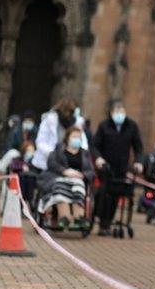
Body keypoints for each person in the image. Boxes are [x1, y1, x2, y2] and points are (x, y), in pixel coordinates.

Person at [92, 101, 144, 236]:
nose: (119, 115)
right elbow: (95, 145)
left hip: (121, 166)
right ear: (111, 113)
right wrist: (98, 158)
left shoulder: (131, 126)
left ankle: (108, 221)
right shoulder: (104, 126)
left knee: (116, 194)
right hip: (105, 166)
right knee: (105, 192)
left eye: (121, 112)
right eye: (116, 112)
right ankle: (102, 221)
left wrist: (138, 161)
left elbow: (138, 146)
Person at [37, 126, 95, 229]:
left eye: (79, 137)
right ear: (68, 138)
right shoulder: (59, 150)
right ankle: (64, 217)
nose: (77, 139)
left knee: (78, 186)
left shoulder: (84, 153)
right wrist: (65, 171)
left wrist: (82, 175)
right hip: (60, 177)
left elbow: (91, 171)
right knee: (60, 187)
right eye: (74, 136)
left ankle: (79, 217)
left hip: (78, 179)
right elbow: (51, 163)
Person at [32, 99, 89, 172]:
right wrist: (54, 155)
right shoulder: (49, 121)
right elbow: (40, 141)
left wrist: (76, 154)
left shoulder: (77, 122)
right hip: (47, 162)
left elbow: (83, 143)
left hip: (70, 163)